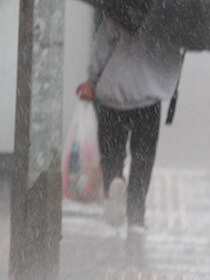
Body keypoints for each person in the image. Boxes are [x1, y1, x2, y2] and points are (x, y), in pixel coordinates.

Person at [75, 14, 184, 232]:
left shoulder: (120, 7)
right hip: (148, 95)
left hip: (114, 91)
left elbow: (101, 49)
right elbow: (172, 54)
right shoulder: (168, 15)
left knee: (112, 151)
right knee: (143, 156)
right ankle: (136, 213)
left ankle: (114, 180)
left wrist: (91, 81)